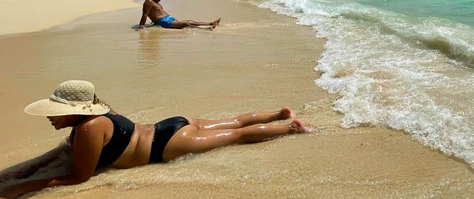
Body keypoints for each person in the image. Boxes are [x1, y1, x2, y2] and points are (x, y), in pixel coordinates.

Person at [0, 80, 309, 198]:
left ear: (76, 112)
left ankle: (290, 128)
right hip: (171, 125)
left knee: (237, 135)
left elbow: (79, 177)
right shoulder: (101, 113)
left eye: (54, 112)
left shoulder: (89, 128)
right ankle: (277, 113)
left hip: (168, 144)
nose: (50, 118)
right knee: (234, 122)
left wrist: (24, 186)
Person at [139, 0, 220, 29]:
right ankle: (207, 29)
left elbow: (153, 13)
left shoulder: (155, 2)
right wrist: (141, 26)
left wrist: (152, 21)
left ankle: (210, 23)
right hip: (163, 22)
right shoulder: (148, 2)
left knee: (190, 21)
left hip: (168, 19)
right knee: (186, 24)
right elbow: (145, 14)